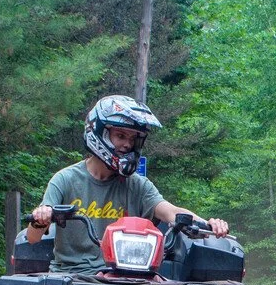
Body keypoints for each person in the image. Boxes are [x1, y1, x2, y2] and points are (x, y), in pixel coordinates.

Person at [26, 95, 229, 273]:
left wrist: (208, 224)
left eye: (132, 139)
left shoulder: (137, 185)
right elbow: (33, 238)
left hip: (127, 275)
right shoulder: (65, 179)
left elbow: (171, 212)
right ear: (99, 133)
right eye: (121, 136)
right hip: (71, 275)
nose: (127, 144)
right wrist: (40, 219)